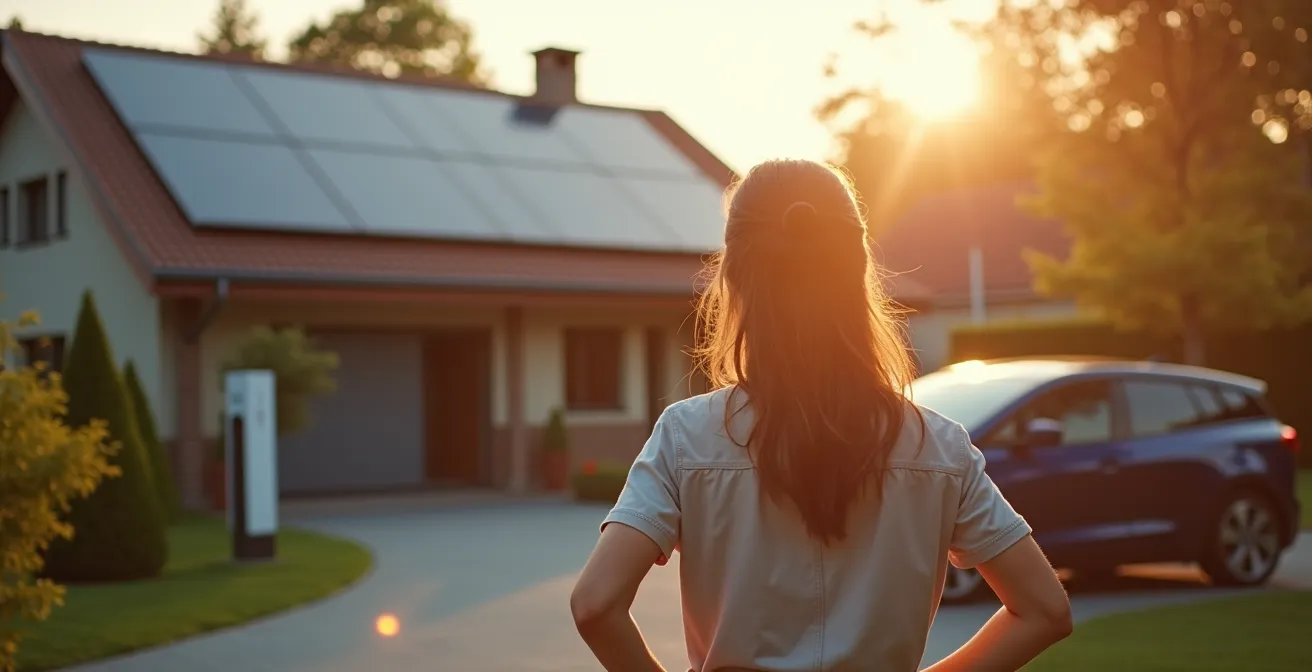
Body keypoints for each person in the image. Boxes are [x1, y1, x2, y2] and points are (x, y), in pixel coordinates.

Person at [570, 159, 1072, 671]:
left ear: (734, 280)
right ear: (857, 274)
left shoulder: (686, 437)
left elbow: (596, 606)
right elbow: (1044, 610)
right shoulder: (939, 448)